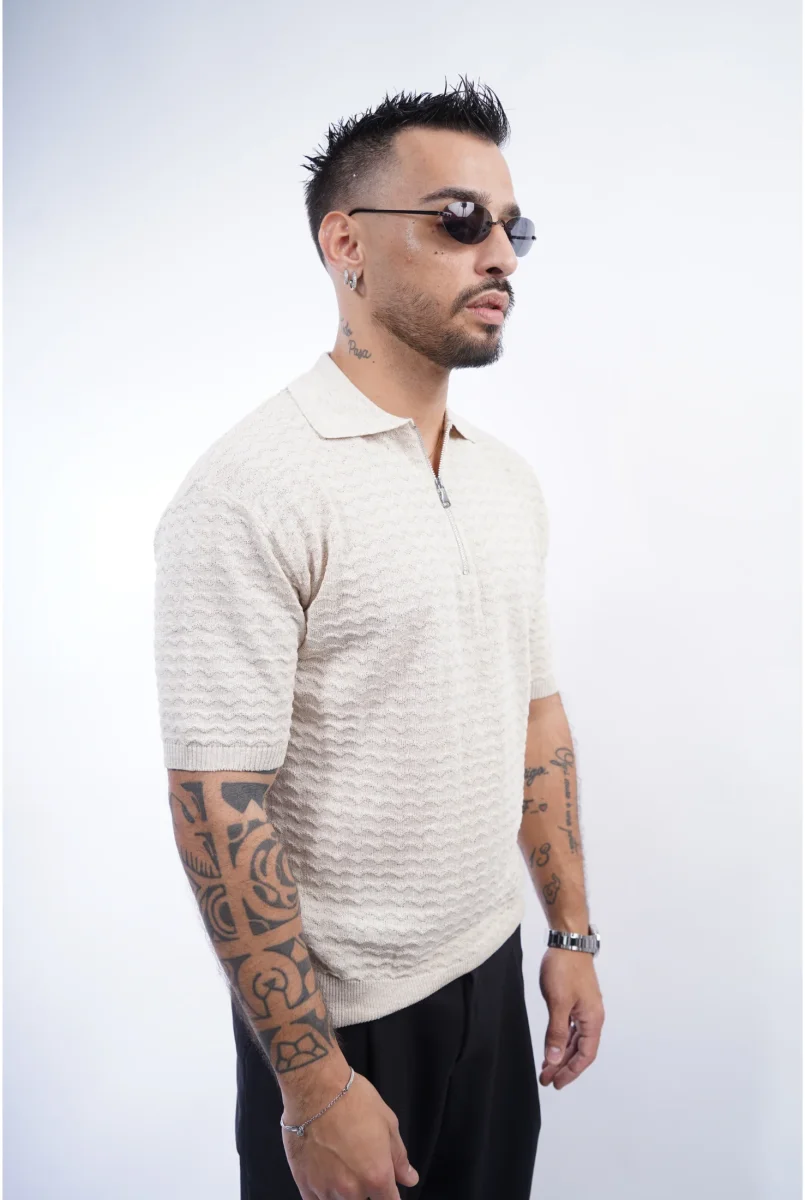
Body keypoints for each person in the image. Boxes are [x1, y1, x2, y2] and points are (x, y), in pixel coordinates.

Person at [153, 75, 605, 1200]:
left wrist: (570, 935)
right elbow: (219, 801)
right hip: (337, 1029)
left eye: (512, 230)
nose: (497, 255)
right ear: (345, 242)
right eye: (459, 219)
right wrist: (313, 1087)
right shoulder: (250, 490)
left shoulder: (506, 482)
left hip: (491, 973)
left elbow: (535, 715)